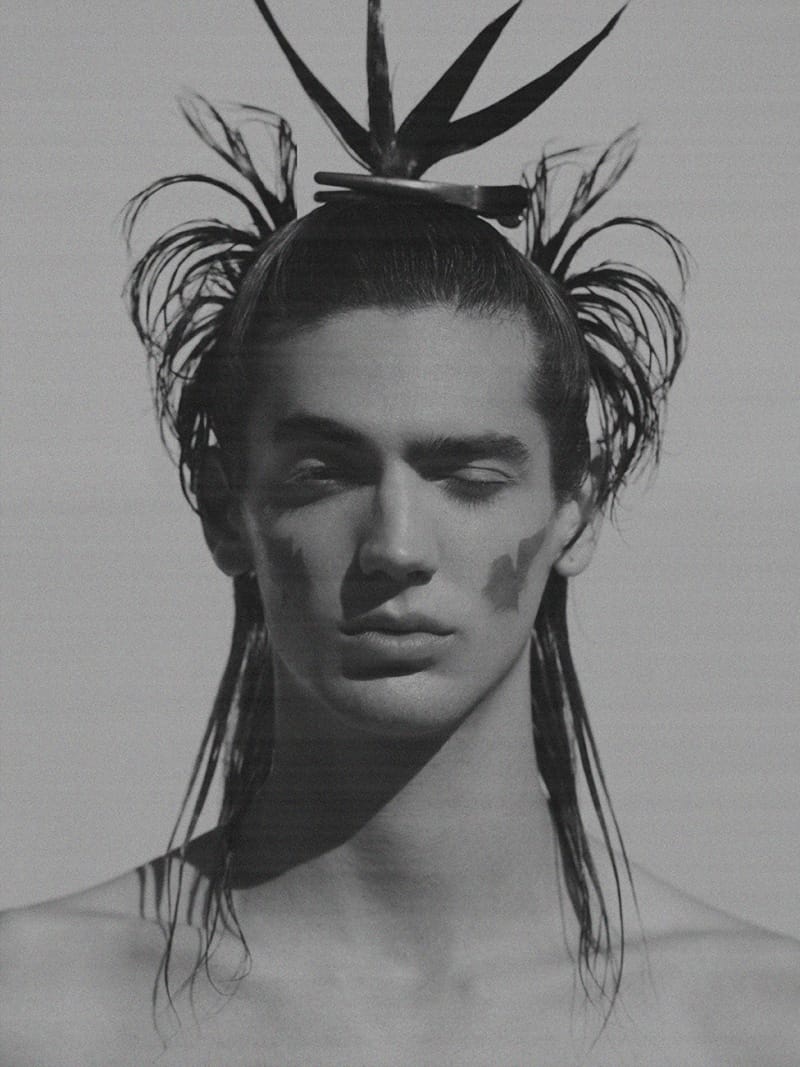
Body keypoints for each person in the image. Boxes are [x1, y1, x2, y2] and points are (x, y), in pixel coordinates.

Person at [2, 2, 798, 1064]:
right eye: (325, 473)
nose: (395, 545)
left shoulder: (757, 1024)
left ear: (580, 504)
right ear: (225, 506)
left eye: (467, 476)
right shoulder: (36, 1012)